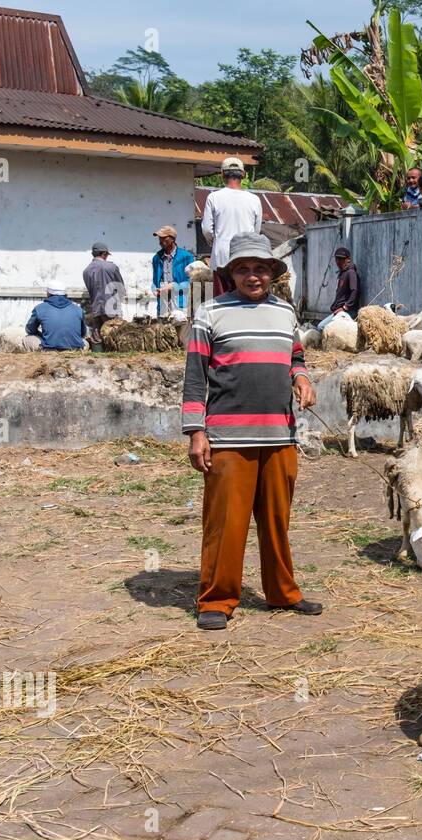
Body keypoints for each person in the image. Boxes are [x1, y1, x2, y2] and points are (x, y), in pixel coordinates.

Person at [181, 232, 321, 631]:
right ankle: (217, 599)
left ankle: (282, 592)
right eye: (243, 268)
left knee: (277, 521)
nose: (252, 275)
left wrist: (302, 378)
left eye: (260, 268)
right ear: (232, 274)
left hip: (279, 434)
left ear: (272, 273)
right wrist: (196, 431)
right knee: (226, 523)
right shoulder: (209, 313)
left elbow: (295, 355)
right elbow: (195, 380)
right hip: (228, 439)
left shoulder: (284, 312)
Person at [201, 157, 262, 298]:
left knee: (222, 299)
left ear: (222, 174)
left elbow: (207, 230)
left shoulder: (214, 197)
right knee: (245, 298)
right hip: (246, 256)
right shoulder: (254, 199)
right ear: (243, 175)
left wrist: (214, 242)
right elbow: (256, 232)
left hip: (221, 257)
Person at [23, 281, 87, 351]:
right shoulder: (78, 309)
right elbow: (83, 333)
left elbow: (30, 330)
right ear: (65, 294)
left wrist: (42, 335)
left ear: (48, 293)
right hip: (75, 349)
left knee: (27, 339)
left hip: (48, 349)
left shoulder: (39, 308)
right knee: (85, 342)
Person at [81, 241, 124, 345]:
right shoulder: (111, 267)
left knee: (97, 336)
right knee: (114, 334)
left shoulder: (86, 271)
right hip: (111, 307)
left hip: (95, 307)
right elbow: (120, 287)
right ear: (104, 253)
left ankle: (99, 355)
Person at [151, 225, 196, 316]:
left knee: (182, 328)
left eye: (164, 238)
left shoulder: (187, 257)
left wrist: (174, 287)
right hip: (163, 304)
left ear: (172, 239)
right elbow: (155, 281)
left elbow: (192, 282)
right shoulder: (156, 258)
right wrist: (155, 290)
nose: (160, 241)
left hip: (181, 303)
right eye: (159, 238)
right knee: (164, 329)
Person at [317, 247, 360, 332]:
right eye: (337, 259)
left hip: (347, 312)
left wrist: (345, 307)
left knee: (321, 327)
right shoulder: (343, 273)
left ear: (348, 259)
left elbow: (355, 291)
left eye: (341, 259)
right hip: (340, 311)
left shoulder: (351, 273)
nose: (338, 261)